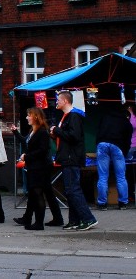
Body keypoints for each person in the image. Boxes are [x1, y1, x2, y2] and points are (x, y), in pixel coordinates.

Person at [51, 90, 97, 231]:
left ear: (65, 101)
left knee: (73, 189)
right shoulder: (66, 117)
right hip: (67, 157)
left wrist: (57, 131)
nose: (56, 102)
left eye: (58, 99)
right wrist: (55, 134)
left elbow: (74, 136)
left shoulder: (74, 116)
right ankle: (74, 221)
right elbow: (67, 137)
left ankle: (88, 218)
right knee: (70, 190)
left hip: (72, 158)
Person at [11, 107, 60, 230]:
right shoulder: (33, 131)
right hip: (35, 166)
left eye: (29, 115)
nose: (27, 117)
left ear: (36, 117)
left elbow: (42, 150)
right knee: (39, 193)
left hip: (40, 167)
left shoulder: (42, 132)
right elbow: (26, 141)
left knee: (37, 193)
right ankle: (31, 218)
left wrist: (26, 156)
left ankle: (38, 223)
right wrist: (16, 132)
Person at [95, 106, 131, 210]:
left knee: (102, 176)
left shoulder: (106, 117)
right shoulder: (126, 122)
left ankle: (102, 204)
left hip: (102, 144)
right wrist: (124, 153)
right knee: (121, 176)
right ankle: (123, 203)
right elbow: (127, 142)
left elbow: (98, 131)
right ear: (127, 116)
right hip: (117, 146)